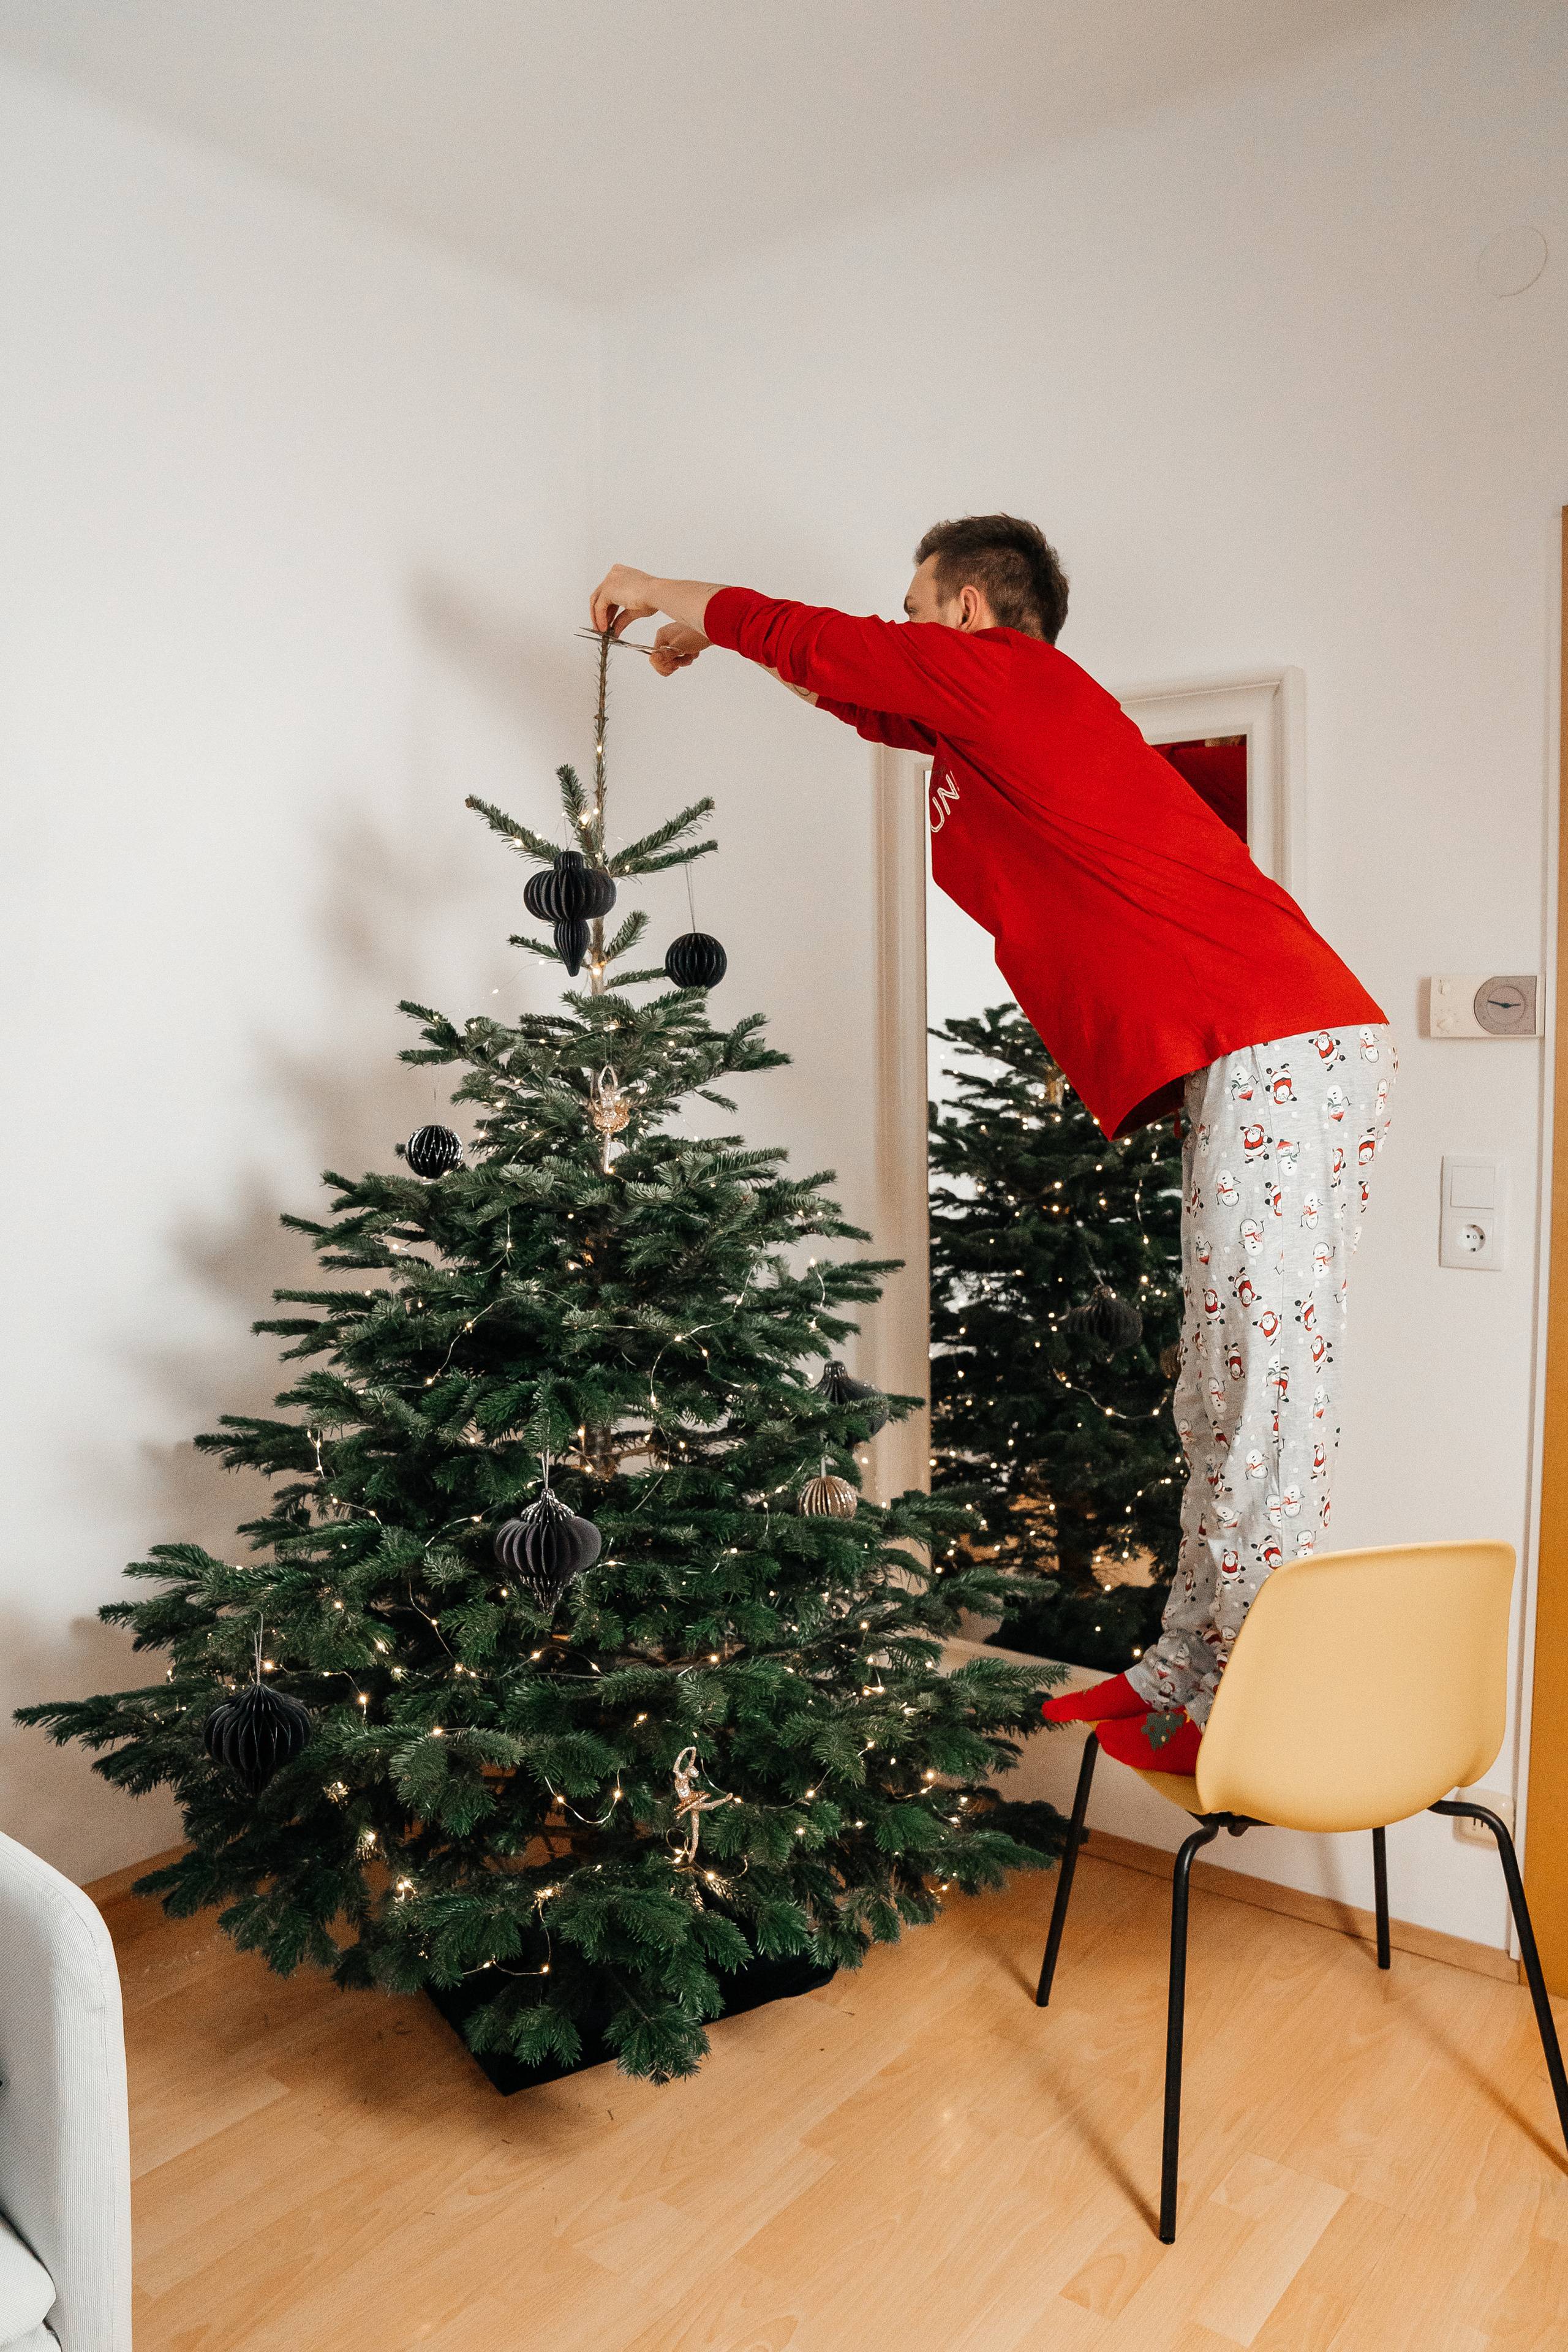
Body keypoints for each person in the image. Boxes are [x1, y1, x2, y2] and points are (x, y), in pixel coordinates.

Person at [589, 521, 1394, 1775]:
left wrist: (659, 592)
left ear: (966, 610)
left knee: (1266, 1396)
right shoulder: (964, 726)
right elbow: (837, 680)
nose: (896, 626)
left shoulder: (1009, 677)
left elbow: (821, 641)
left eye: (911, 606)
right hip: (1249, 1056)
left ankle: (1251, 1706)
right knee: (1212, 1395)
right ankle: (1177, 1676)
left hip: (1283, 1041)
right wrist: (709, 637)